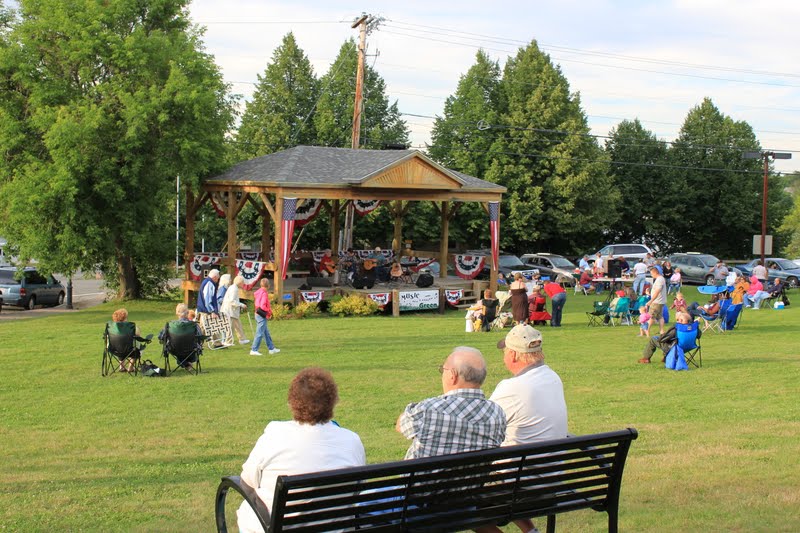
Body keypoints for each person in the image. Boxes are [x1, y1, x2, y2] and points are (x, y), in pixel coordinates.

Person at [236, 368, 366, 533]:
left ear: (292, 402)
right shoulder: (351, 440)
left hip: (279, 526)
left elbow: (247, 481)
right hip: (334, 528)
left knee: (249, 510)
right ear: (333, 402)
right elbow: (357, 488)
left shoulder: (275, 435)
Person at [489, 324, 568, 533]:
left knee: (461, 499)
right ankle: (531, 531)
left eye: (505, 351)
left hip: (522, 485)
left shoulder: (511, 388)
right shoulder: (552, 377)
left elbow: (481, 426)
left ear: (514, 355)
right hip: (552, 478)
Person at [396, 347, 506, 460]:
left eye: (443, 369)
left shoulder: (428, 410)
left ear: (453, 375)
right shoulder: (497, 413)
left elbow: (401, 425)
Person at [159, 303, 203, 369]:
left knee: (179, 346)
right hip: (191, 349)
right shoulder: (194, 325)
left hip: (174, 349)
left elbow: (161, 337)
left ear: (177, 313)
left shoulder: (170, 325)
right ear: (187, 313)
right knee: (191, 345)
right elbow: (200, 337)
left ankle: (185, 363)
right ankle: (186, 363)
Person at [250, 278, 279, 356]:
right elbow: (262, 305)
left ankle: (271, 348)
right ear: (268, 285)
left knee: (266, 332)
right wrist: (268, 311)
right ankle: (254, 349)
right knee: (259, 333)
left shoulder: (258, 292)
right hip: (261, 314)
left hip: (257, 313)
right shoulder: (264, 293)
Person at [110, 308, 145, 372]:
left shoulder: (111, 328)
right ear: (125, 318)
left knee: (120, 345)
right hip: (130, 350)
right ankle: (130, 368)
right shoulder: (131, 327)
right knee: (140, 348)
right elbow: (138, 335)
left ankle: (121, 367)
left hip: (115, 350)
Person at [221, 275, 249, 345]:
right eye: (243, 283)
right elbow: (232, 301)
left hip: (233, 311)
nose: (243, 284)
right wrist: (241, 305)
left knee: (238, 325)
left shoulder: (234, 287)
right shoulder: (234, 289)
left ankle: (242, 339)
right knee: (230, 327)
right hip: (230, 311)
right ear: (240, 283)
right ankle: (228, 341)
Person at [646, 265, 667, 335]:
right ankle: (661, 330)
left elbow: (658, 291)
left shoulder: (659, 280)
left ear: (655, 272)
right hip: (660, 301)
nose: (651, 275)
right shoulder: (661, 279)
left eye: (651, 273)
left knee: (651, 316)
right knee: (660, 316)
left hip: (656, 302)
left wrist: (651, 301)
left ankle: (647, 330)